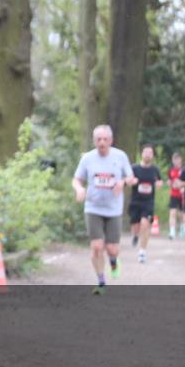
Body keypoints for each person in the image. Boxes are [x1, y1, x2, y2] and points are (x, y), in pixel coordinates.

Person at [73, 125, 136, 293]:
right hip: (93, 207)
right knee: (96, 246)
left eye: (105, 139)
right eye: (98, 139)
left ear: (111, 140)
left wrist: (122, 182)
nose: (101, 142)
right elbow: (76, 179)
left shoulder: (120, 156)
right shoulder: (87, 158)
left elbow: (131, 178)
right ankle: (101, 282)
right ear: (94, 141)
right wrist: (79, 189)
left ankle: (114, 260)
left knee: (112, 249)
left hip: (113, 209)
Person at [130, 144, 163, 263]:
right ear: (141, 154)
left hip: (148, 202)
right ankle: (134, 235)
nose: (148, 155)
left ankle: (142, 252)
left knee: (145, 224)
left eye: (150, 153)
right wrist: (132, 181)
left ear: (153, 156)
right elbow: (127, 180)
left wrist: (159, 184)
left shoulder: (155, 170)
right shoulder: (134, 168)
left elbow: (160, 181)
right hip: (135, 201)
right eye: (145, 152)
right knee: (135, 225)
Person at [166, 152, 185, 240]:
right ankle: (172, 231)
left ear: (181, 160)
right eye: (174, 160)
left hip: (183, 195)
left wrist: (183, 187)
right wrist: (169, 183)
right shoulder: (171, 170)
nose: (176, 161)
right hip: (173, 194)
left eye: (178, 159)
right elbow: (169, 180)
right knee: (172, 212)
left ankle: (182, 228)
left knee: (181, 214)